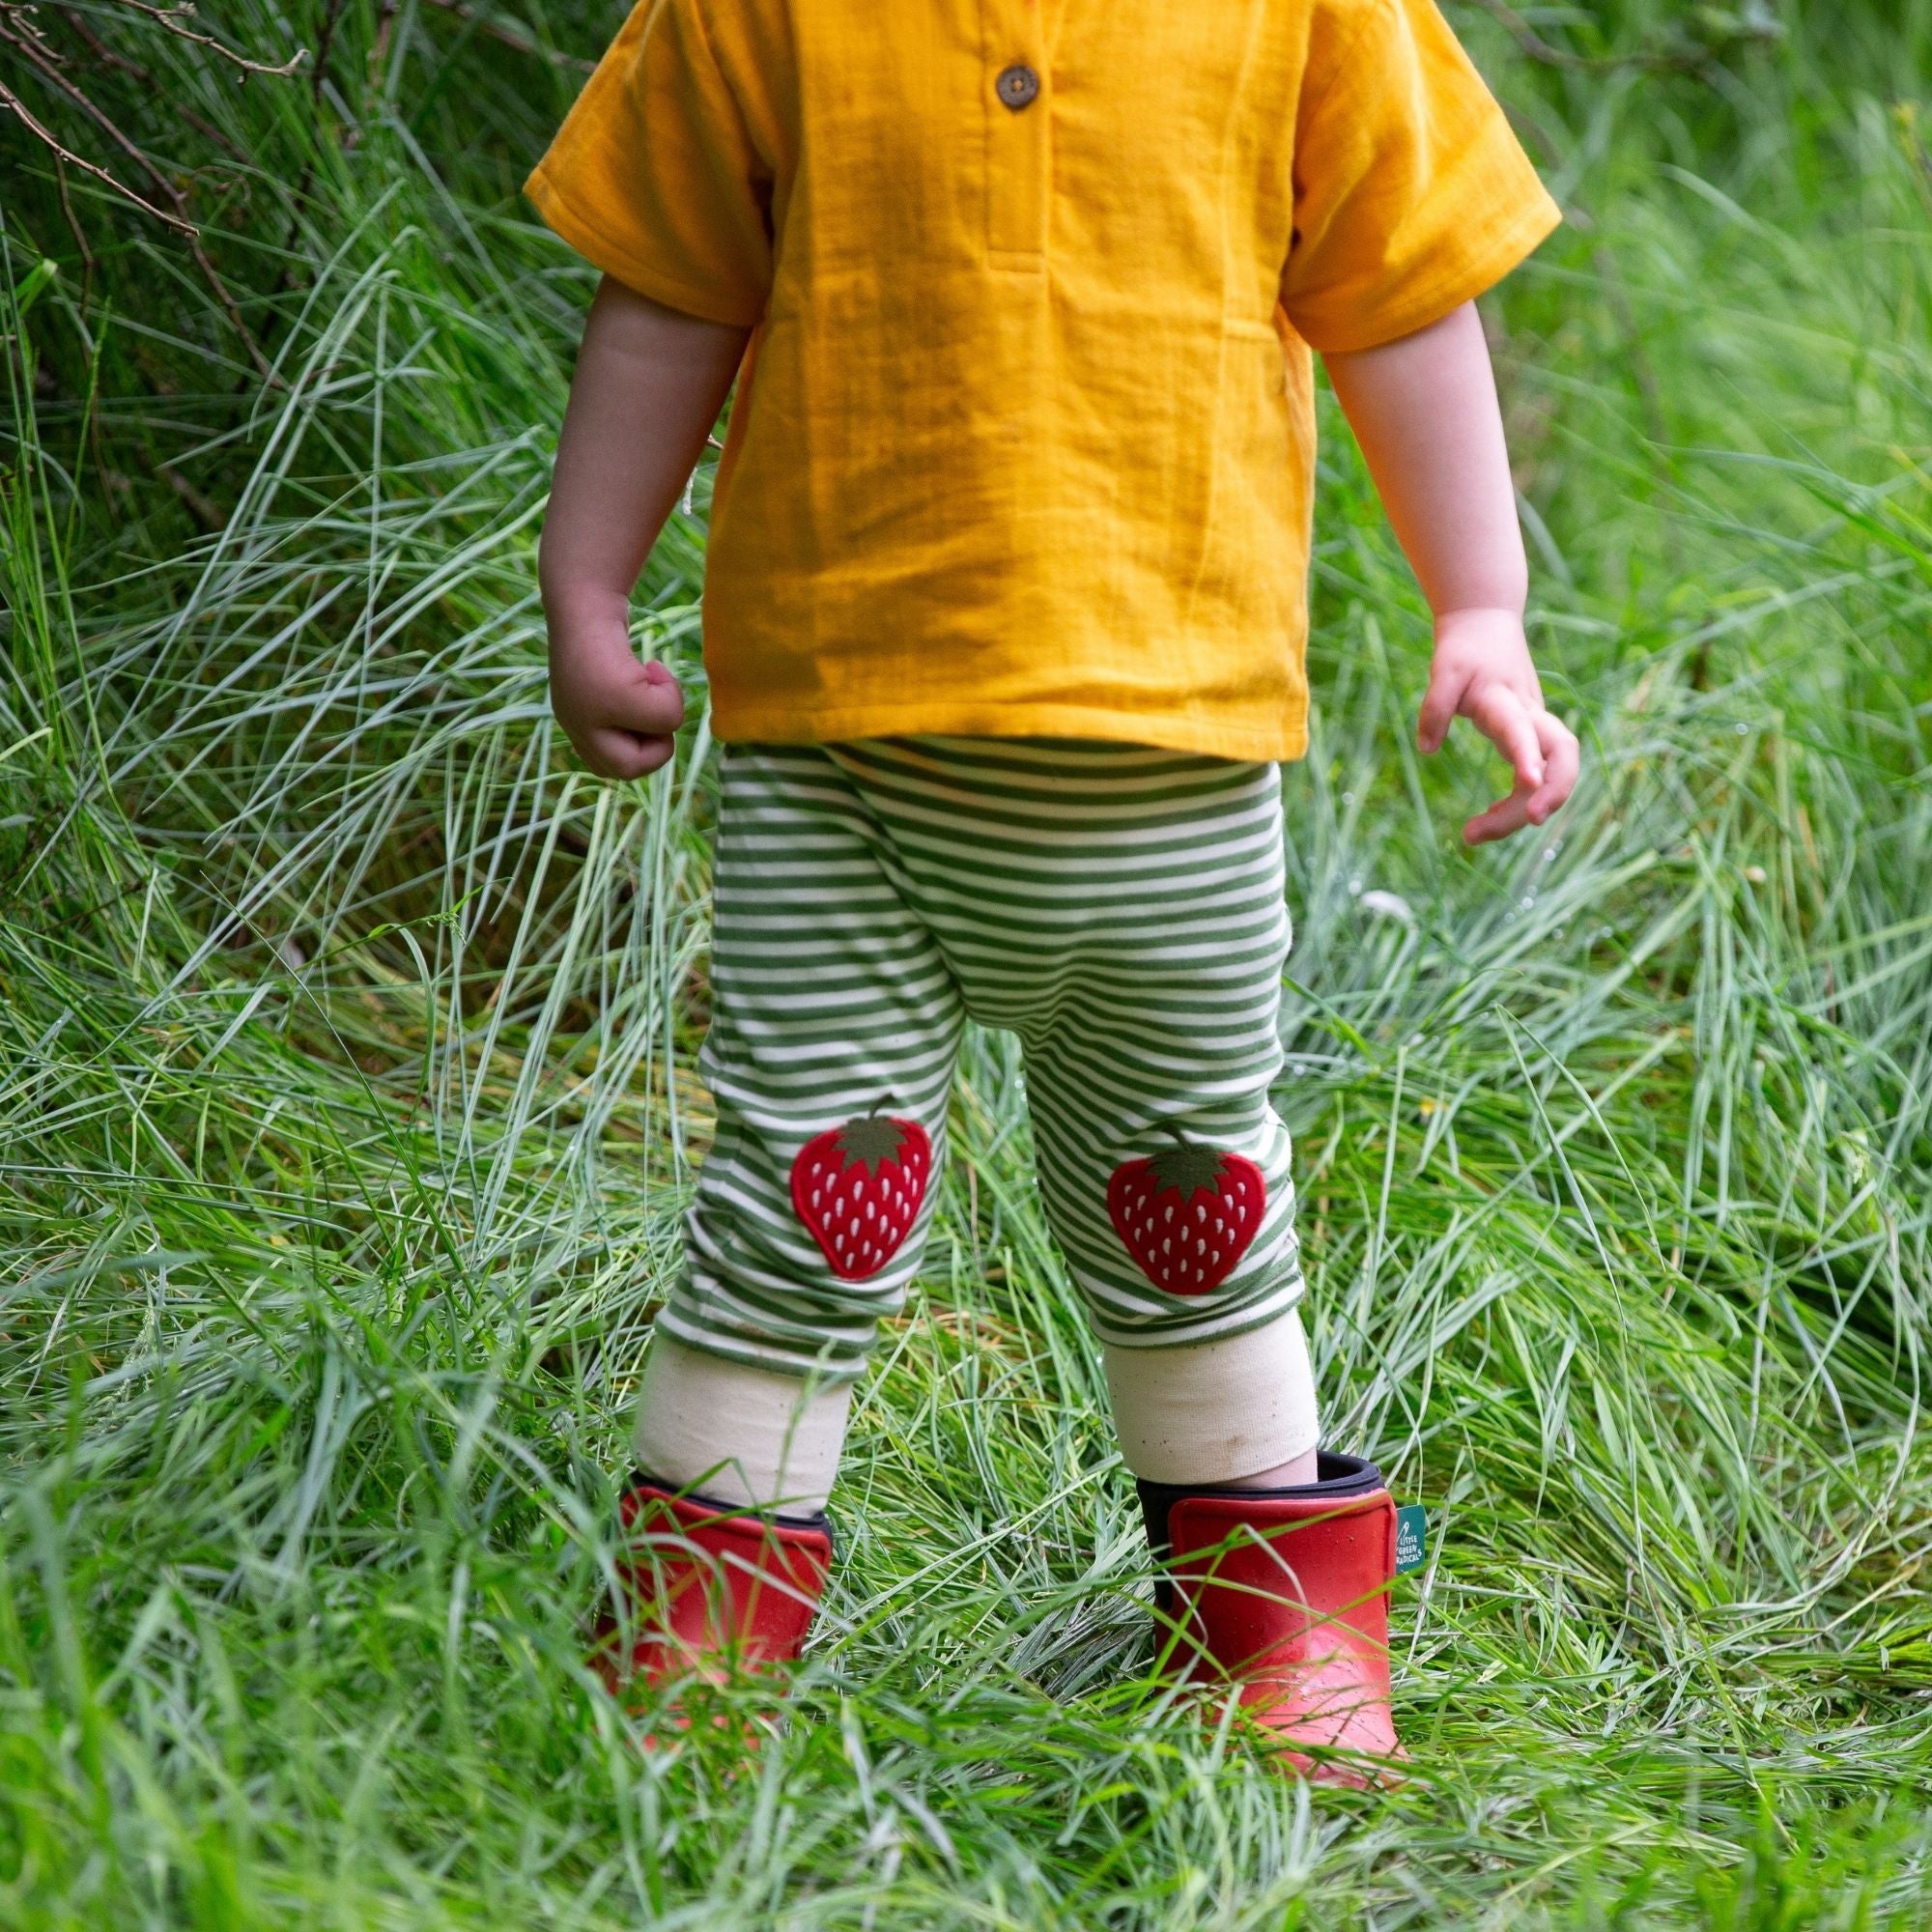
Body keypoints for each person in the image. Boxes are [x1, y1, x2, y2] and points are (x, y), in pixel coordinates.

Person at [527, 0, 1578, 1780]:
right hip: (843, 763)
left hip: (1174, 763)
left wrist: (1481, 607)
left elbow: (1404, 292)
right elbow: (673, 291)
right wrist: (587, 581)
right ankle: (700, 1633)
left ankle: (1275, 1623)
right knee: (796, 1202)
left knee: (1198, 1199)